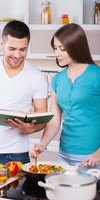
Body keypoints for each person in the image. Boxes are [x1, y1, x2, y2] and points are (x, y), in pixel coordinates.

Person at [0, 20, 48, 165]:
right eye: (12, 49)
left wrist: (33, 128)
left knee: (19, 189)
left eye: (23, 50)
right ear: (2, 45)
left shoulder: (38, 77)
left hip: (18, 154)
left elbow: (42, 117)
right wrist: (9, 115)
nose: (17, 55)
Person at [30, 23, 100, 169]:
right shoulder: (57, 79)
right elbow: (55, 120)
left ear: (76, 47)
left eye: (62, 48)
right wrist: (42, 144)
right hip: (64, 155)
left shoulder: (97, 75)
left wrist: (98, 153)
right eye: (55, 48)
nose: (57, 53)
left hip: (92, 157)